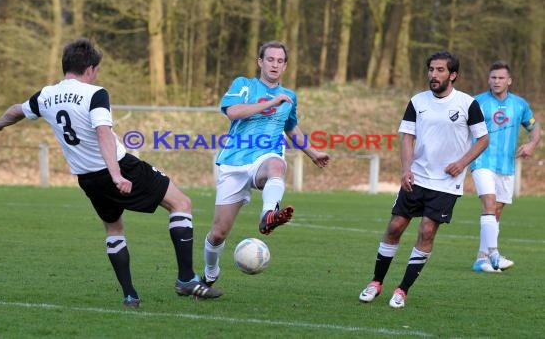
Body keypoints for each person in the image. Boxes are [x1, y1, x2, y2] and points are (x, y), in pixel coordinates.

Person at [0, 38, 221, 307]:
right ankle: (186, 279)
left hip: (87, 178)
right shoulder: (95, 93)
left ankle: (130, 295)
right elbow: (103, 132)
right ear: (90, 69)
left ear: (66, 66)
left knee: (114, 229)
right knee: (181, 203)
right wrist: (117, 174)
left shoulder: (45, 95)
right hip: (118, 167)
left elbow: (17, 111)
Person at [358, 51, 489, 309]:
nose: (433, 74)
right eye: (431, 69)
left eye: (440, 70)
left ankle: (402, 289)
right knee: (395, 226)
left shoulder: (467, 104)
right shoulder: (417, 101)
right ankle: (376, 282)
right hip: (416, 177)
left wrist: (462, 163)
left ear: (453, 75)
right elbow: (407, 136)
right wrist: (406, 169)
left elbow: (483, 139)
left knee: (427, 231)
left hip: (446, 183)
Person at [202, 41, 330, 289]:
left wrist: (312, 152)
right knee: (218, 233)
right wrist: (270, 103)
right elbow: (233, 112)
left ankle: (267, 215)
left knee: (277, 166)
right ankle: (209, 272)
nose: (274, 64)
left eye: (280, 61)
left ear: (285, 66)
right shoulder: (244, 85)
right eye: (270, 59)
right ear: (260, 62)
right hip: (234, 162)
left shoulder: (289, 96)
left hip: (265, 157)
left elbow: (291, 127)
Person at [470, 60, 541, 273]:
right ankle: (494, 254)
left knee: (496, 211)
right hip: (482, 161)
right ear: (488, 80)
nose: (497, 81)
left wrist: (531, 144)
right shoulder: (477, 103)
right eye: (493, 77)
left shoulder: (519, 105)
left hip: (506, 165)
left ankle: (481, 259)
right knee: (489, 204)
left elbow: (535, 128)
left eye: (501, 78)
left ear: (509, 80)